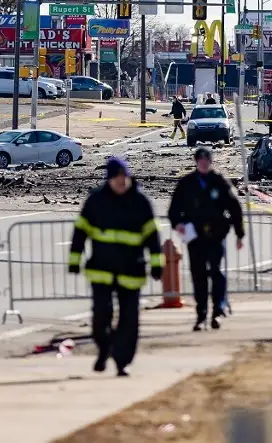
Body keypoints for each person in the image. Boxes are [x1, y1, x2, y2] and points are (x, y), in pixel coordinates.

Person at [68, 157, 163, 377]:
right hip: (101, 270)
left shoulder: (140, 202)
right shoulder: (96, 201)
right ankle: (104, 350)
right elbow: (80, 231)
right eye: (116, 178)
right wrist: (74, 260)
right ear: (109, 179)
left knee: (129, 321)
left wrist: (157, 264)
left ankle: (122, 362)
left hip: (132, 272)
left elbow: (152, 236)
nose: (121, 182)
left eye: (124, 177)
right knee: (101, 317)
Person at [168, 147, 245, 331]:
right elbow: (174, 209)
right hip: (194, 237)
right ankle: (201, 315)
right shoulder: (187, 183)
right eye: (200, 160)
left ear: (210, 162)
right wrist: (177, 223)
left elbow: (235, 208)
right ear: (196, 161)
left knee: (216, 272)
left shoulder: (219, 182)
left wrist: (239, 233)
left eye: (206, 160)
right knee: (199, 276)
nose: (203, 163)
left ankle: (217, 309)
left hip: (216, 235)